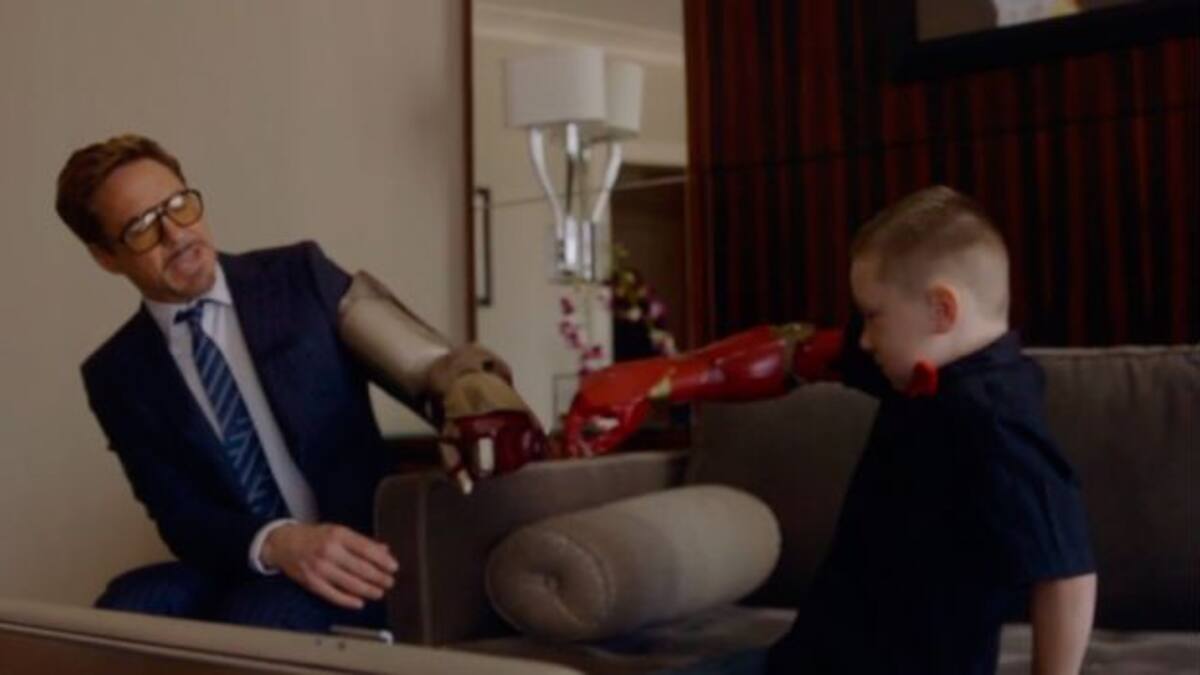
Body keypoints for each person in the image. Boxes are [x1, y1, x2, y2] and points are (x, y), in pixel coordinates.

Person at [564, 186, 1097, 674]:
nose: (863, 338)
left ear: (942, 309)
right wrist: (662, 379)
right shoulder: (922, 368)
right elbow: (799, 355)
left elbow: (1068, 573)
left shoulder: (997, 421)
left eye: (873, 316)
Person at [56, 134, 545, 632]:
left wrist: (477, 397)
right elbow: (180, 517)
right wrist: (278, 543)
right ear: (106, 257)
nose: (176, 234)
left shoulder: (298, 277)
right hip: (247, 556)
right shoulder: (117, 373)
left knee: (262, 616)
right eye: (141, 227)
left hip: (360, 552)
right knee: (127, 607)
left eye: (179, 205)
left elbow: (430, 365)